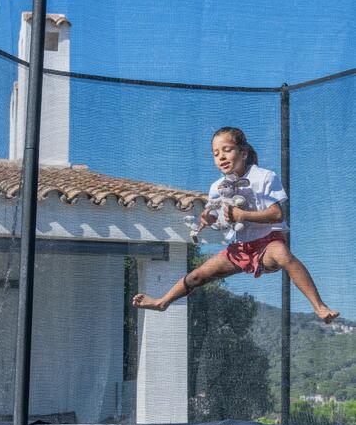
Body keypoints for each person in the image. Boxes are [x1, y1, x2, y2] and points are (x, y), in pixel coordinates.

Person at [133, 126, 340, 324]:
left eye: (227, 150)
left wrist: (243, 215)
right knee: (198, 276)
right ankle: (162, 302)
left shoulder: (264, 177)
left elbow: (277, 214)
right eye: (215, 153)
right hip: (241, 248)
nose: (221, 157)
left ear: (243, 153)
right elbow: (218, 218)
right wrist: (208, 218)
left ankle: (319, 306)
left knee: (282, 253)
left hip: (268, 242)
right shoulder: (217, 187)